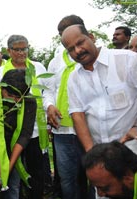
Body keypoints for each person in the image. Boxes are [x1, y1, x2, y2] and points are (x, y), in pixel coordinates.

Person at [62, 24, 137, 153]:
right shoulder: (74, 78)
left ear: (91, 37)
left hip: (132, 148)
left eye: (80, 43)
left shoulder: (128, 60)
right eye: (71, 49)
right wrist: (92, 154)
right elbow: (77, 115)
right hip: (101, 154)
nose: (78, 50)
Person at [0, 35, 47, 199]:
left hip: (35, 129)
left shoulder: (38, 68)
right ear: (9, 51)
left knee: (36, 171)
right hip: (10, 132)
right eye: (17, 49)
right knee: (14, 175)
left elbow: (46, 93)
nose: (22, 53)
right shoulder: (1, 71)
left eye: (25, 48)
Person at [43, 14, 89, 199]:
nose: (65, 37)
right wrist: (50, 106)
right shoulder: (56, 62)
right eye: (61, 34)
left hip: (87, 128)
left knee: (91, 174)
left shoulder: (88, 57)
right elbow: (48, 90)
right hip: (62, 129)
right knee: (66, 178)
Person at [0, 68, 37, 198]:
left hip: (12, 149)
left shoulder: (29, 102)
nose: (15, 101)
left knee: (11, 188)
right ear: (2, 88)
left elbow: (24, 135)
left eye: (19, 97)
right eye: (11, 96)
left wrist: (8, 167)